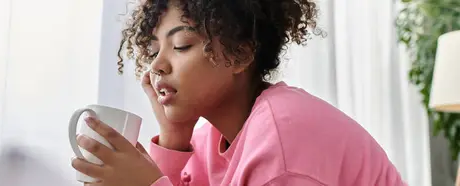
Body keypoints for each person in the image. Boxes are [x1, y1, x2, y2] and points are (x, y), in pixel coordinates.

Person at [71, 0, 408, 185]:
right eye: (153, 50)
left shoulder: (283, 139)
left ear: (241, 54)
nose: (157, 65)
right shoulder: (208, 140)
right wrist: (175, 136)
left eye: (181, 45)